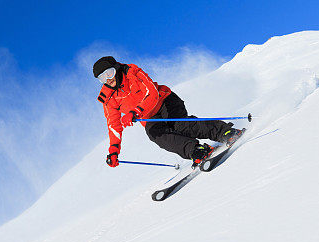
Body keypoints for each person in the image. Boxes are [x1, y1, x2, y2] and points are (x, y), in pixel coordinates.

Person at [93, 56, 243, 168]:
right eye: (102, 78)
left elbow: (152, 93)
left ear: (117, 69)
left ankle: (225, 132)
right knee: (157, 136)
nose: (108, 79)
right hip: (149, 118)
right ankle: (197, 151)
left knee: (180, 125)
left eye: (110, 73)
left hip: (165, 101)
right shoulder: (108, 98)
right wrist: (114, 150)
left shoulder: (133, 73)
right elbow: (113, 125)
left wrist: (136, 111)